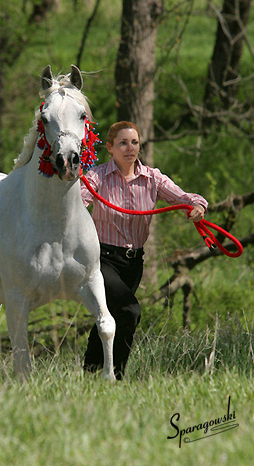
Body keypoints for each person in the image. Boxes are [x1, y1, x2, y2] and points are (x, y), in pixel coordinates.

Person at [81, 121, 208, 380]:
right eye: (123, 143)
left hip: (134, 262)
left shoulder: (153, 178)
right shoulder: (96, 177)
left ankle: (91, 374)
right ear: (110, 148)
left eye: (135, 143)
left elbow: (185, 197)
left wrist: (197, 207)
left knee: (113, 315)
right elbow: (75, 204)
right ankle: (115, 375)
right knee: (129, 311)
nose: (130, 148)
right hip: (102, 259)